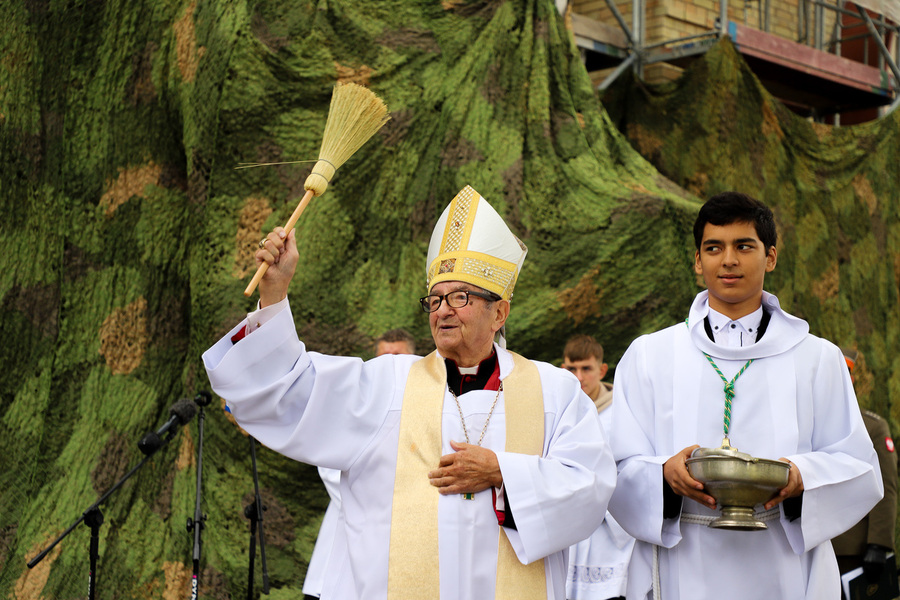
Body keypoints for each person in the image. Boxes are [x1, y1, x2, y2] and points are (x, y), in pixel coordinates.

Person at [204, 185, 616, 599]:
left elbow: (591, 486)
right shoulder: (385, 386)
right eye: (434, 300)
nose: (443, 310)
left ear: (499, 312)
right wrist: (274, 292)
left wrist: (501, 472)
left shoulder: (554, 392)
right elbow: (287, 390)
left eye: (460, 297)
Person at [607, 191, 883, 600]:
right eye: (713, 248)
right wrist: (663, 474)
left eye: (743, 246)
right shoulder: (650, 355)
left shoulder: (816, 358)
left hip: (782, 562)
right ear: (698, 261)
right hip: (685, 558)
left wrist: (803, 476)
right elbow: (614, 467)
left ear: (770, 257)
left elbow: (858, 467)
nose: (728, 260)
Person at [303, 330, 418, 599]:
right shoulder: (358, 400)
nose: (391, 362)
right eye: (384, 356)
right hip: (354, 527)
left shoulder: (429, 402)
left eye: (398, 355)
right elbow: (330, 464)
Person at [562, 335, 634, 600]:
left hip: (610, 530)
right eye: (572, 369)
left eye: (586, 368)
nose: (579, 377)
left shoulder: (621, 414)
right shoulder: (558, 411)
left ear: (602, 370)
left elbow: (629, 471)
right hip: (568, 526)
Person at [832, 349, 898, 591]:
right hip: (815, 546)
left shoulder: (873, 428)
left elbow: (886, 488)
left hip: (854, 550)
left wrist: (879, 544)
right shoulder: (809, 425)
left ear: (851, 381)